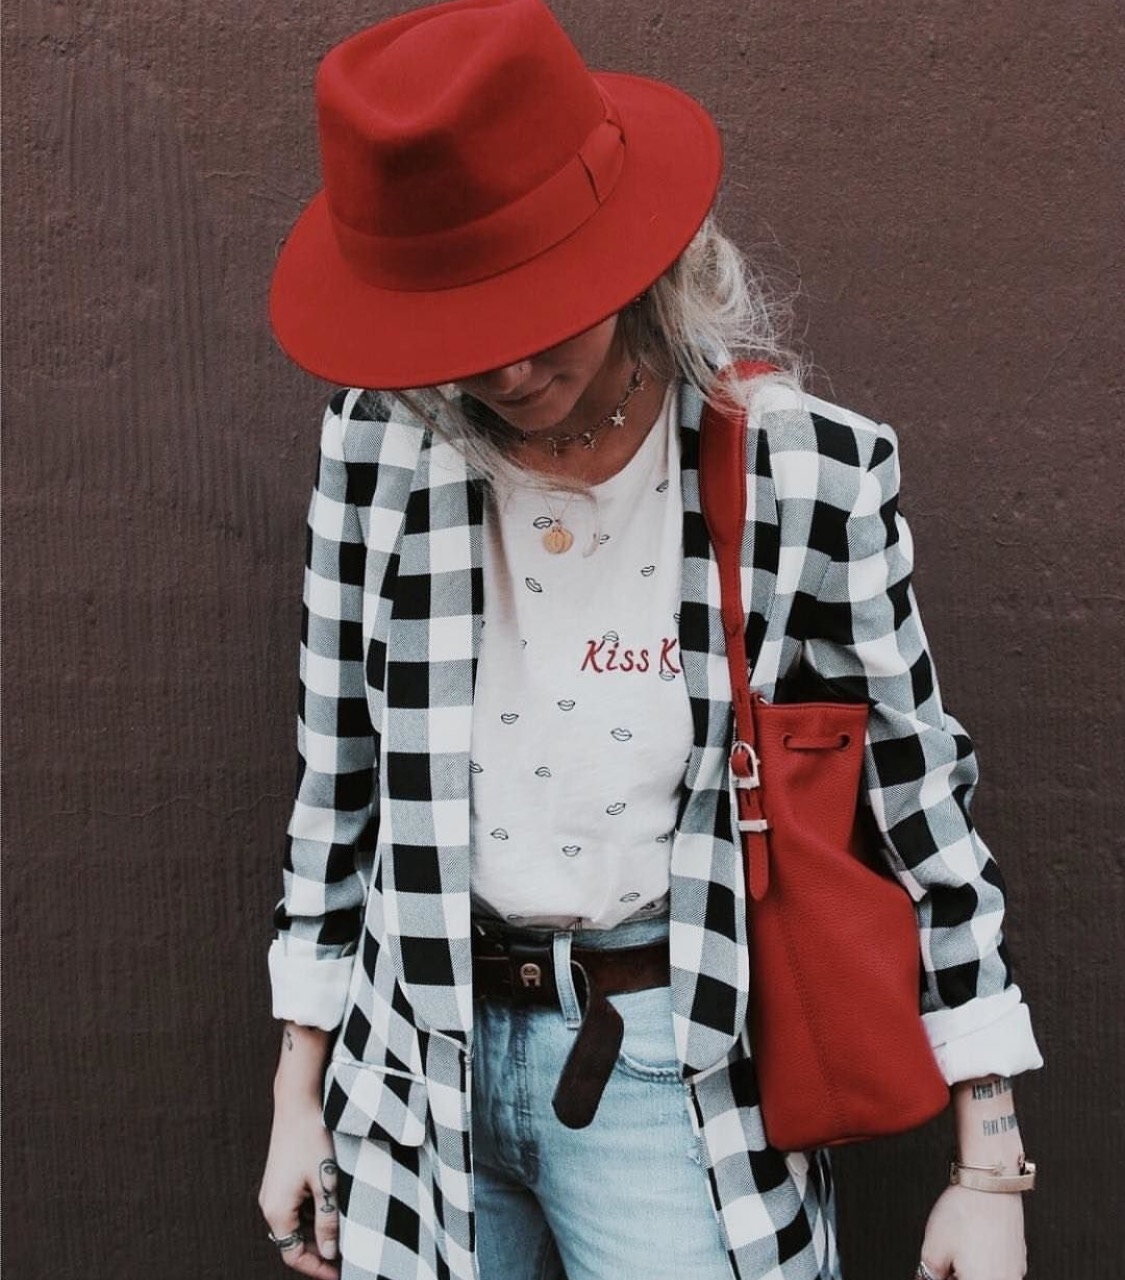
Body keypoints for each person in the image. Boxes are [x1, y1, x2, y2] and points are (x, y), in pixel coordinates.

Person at [257, 2, 1043, 1278]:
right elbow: (338, 768)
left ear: (626, 257)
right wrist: (300, 1088)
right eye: (460, 327)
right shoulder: (382, 442)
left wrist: (988, 1160)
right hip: (418, 1068)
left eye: (538, 305)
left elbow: (918, 802)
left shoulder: (797, 470)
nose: (507, 369)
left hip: (674, 1073)